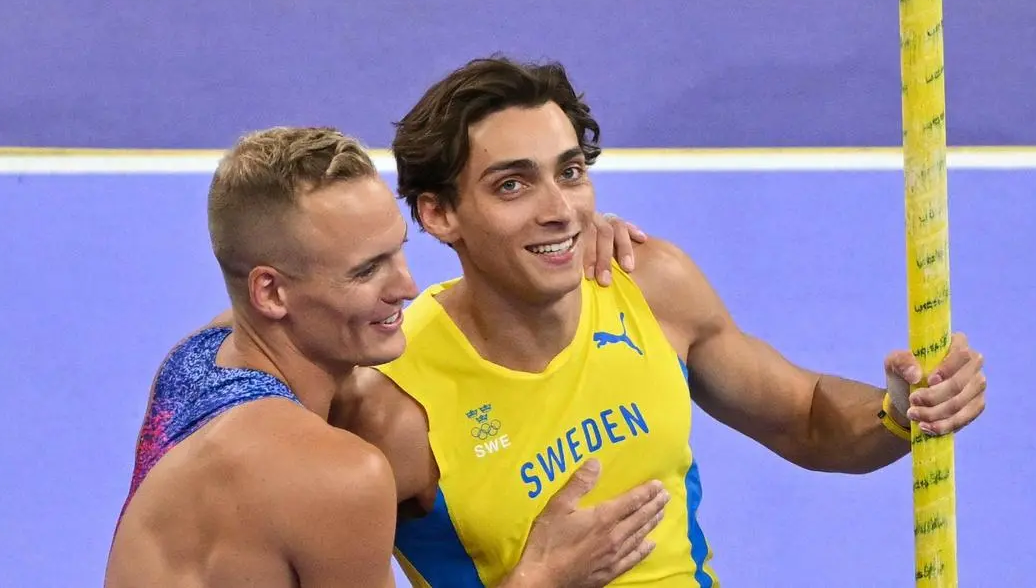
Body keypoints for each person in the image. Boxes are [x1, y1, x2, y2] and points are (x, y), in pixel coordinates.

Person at [329, 57, 988, 587]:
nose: (561, 210)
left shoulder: (648, 286)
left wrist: (900, 411)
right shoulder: (390, 408)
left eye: (570, 173)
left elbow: (806, 418)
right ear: (439, 214)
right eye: (513, 185)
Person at [104, 126, 670, 588]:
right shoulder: (339, 477)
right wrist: (544, 578)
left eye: (397, 250)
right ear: (271, 293)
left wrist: (563, 241)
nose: (406, 286)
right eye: (367, 270)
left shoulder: (193, 363)